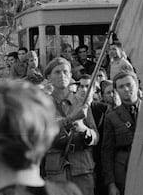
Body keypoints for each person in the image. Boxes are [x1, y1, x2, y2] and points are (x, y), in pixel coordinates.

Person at [43, 57, 98, 195]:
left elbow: (96, 136)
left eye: (66, 72)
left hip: (82, 167)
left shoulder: (81, 101)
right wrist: (71, 119)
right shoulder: (43, 104)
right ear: (48, 77)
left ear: (71, 75)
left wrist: (85, 130)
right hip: (56, 169)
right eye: (57, 72)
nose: (62, 75)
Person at [102, 71, 141, 195]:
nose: (126, 89)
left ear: (137, 85)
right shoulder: (111, 117)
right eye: (121, 87)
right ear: (116, 91)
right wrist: (111, 184)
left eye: (129, 84)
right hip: (124, 172)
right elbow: (107, 153)